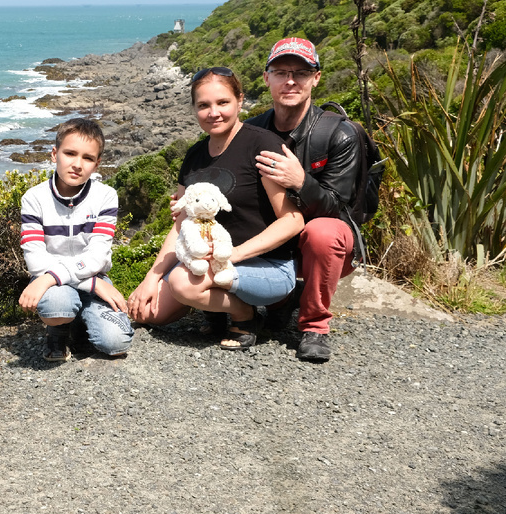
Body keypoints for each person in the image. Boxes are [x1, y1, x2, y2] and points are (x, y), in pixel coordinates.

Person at [129, 68, 304, 350]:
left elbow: (293, 221)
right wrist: (151, 277)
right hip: (209, 263)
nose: (214, 112)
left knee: (183, 284)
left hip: (267, 266)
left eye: (222, 102)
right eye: (204, 105)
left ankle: (245, 314)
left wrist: (232, 255)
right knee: (150, 313)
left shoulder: (261, 145)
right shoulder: (195, 155)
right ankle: (216, 306)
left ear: (240, 101)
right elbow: (182, 223)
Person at [246, 37, 362, 362]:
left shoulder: (340, 134)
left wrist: (301, 181)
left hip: (325, 245)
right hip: (275, 238)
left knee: (322, 233)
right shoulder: (251, 131)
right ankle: (279, 300)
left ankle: (315, 326)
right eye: (281, 72)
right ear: (267, 77)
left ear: (316, 77)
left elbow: (340, 208)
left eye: (301, 72)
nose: (291, 81)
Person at [18, 118, 134, 361]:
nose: (77, 164)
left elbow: (97, 257)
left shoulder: (105, 196)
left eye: (88, 158)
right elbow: (36, 262)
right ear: (54, 154)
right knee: (56, 306)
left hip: (89, 276)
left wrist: (92, 282)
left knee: (116, 343)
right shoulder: (34, 198)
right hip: (53, 282)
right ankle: (58, 329)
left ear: (97, 163)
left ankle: (79, 323)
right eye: (69, 153)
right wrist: (92, 285)